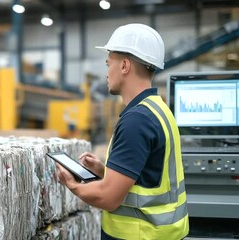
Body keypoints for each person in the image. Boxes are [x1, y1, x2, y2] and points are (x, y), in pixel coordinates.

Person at [56, 23, 189, 239]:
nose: (107, 72)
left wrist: (72, 184)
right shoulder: (158, 108)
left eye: (109, 64)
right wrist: (104, 172)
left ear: (125, 66)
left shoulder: (137, 120)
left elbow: (108, 198)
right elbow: (147, 178)